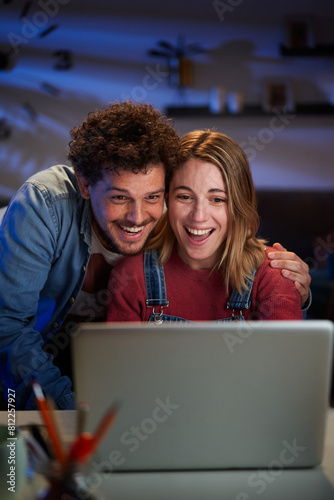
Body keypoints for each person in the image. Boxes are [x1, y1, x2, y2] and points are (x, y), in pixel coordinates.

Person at [0, 103, 310, 410]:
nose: (136, 217)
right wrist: (74, 416)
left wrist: (291, 285)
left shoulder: (175, 214)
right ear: (84, 184)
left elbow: (222, 231)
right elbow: (9, 329)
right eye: (119, 197)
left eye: (153, 197)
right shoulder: (45, 206)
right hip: (25, 377)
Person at [107, 130, 304, 323]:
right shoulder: (131, 276)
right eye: (185, 197)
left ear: (238, 205)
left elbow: (285, 355)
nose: (198, 216)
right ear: (166, 198)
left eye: (217, 199)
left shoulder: (272, 275)